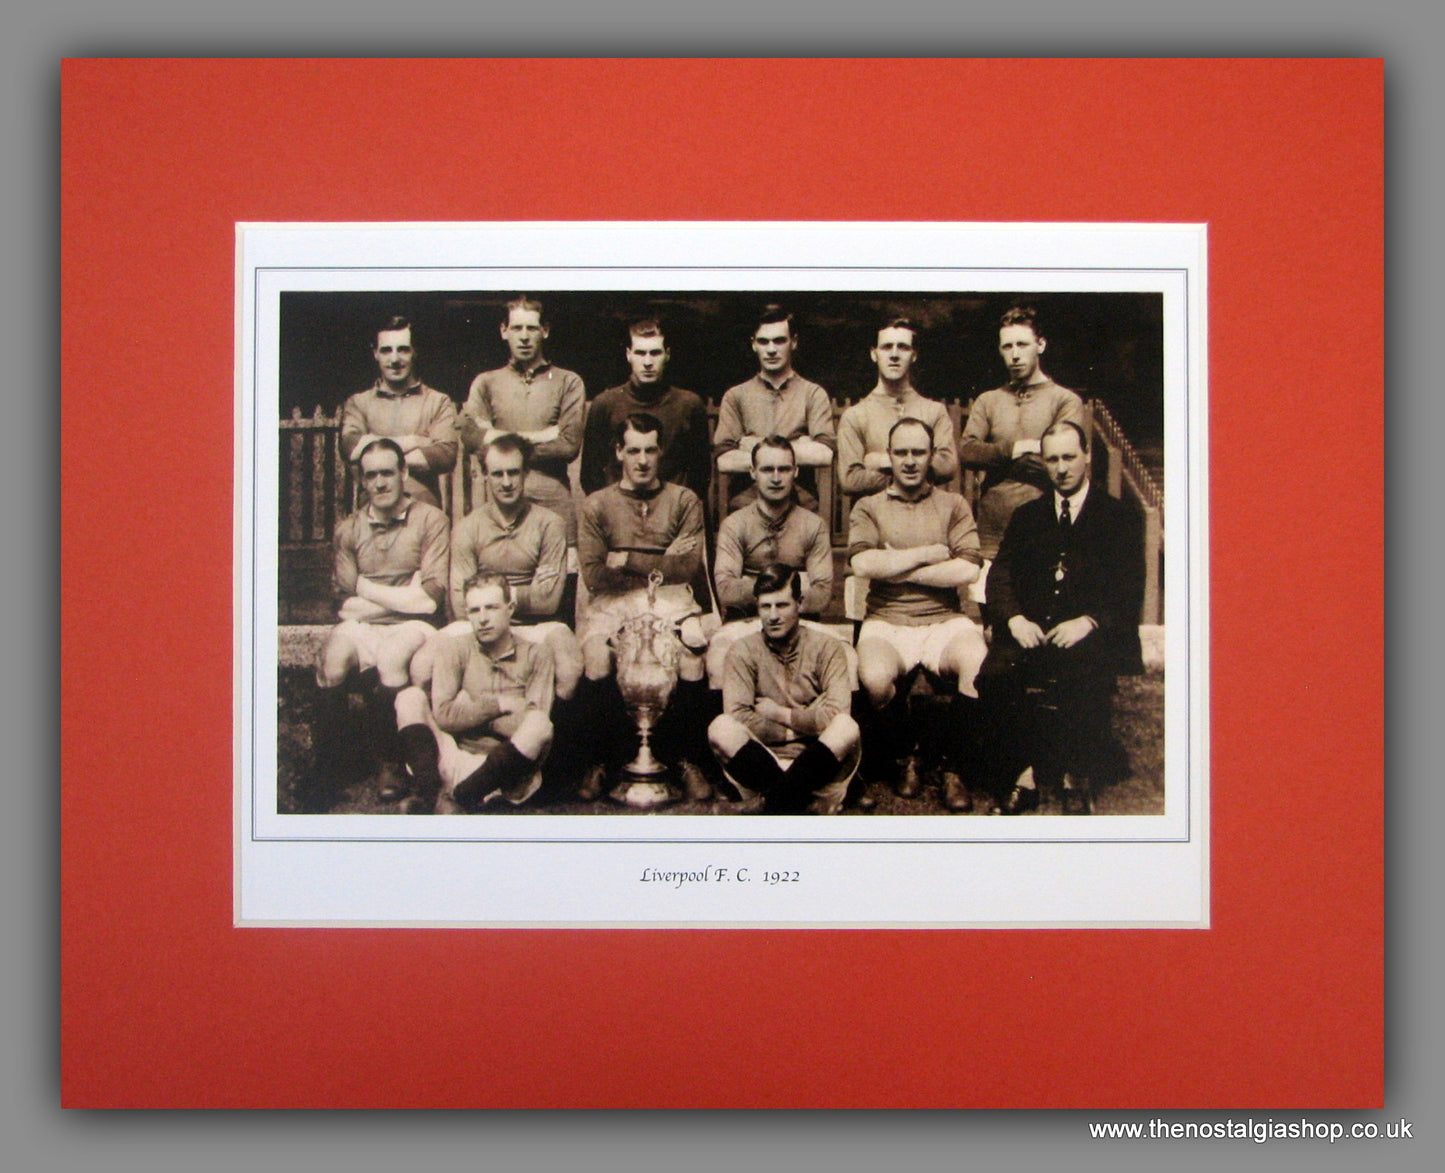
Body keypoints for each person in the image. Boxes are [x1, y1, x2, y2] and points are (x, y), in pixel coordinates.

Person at [979, 421, 1144, 815]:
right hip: (1033, 630)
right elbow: (999, 576)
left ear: (1086, 457)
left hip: (1090, 632)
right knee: (995, 676)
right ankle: (1024, 773)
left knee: (1083, 673)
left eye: (1069, 457)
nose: (1062, 468)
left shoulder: (1117, 517)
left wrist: (1087, 621)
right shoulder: (1028, 516)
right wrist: (1015, 619)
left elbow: (1129, 587)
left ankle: (1074, 775)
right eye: (1052, 459)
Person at [301, 437, 449, 813]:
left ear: (403, 474)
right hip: (373, 622)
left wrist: (366, 590)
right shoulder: (349, 529)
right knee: (332, 661)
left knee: (391, 656)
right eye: (371, 476)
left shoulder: (431, 519)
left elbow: (428, 600)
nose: (380, 483)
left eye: (388, 473)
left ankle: (391, 763)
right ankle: (329, 769)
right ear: (362, 482)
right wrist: (398, 596)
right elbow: (344, 605)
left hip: (416, 627)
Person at [571, 412, 714, 803]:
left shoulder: (685, 500)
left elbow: (685, 567)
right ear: (619, 451)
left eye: (651, 449)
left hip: (671, 600)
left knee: (691, 656)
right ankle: (602, 761)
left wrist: (627, 559)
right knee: (598, 658)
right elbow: (595, 574)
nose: (642, 460)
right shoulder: (597, 505)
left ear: (661, 450)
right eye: (633, 450)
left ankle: (685, 758)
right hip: (612, 603)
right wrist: (657, 561)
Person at [849, 418, 988, 812]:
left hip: (943, 619)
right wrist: (926, 554)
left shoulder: (953, 503)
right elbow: (862, 563)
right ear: (888, 457)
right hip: (887, 620)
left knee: (976, 663)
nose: (910, 461)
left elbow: (967, 569)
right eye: (901, 452)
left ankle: (950, 766)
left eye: (918, 452)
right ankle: (907, 753)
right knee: (874, 679)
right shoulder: (869, 505)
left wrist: (896, 565)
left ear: (931, 457)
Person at [409, 434, 583, 701]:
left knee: (569, 670)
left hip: (538, 625)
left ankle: (545, 734)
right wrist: (520, 597)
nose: (506, 482)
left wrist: (489, 598)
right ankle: (453, 737)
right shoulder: (468, 528)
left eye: (513, 472)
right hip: (479, 621)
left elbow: (547, 601)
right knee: (421, 667)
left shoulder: (551, 524)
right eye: (497, 473)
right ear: (484, 475)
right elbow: (460, 603)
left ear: (526, 473)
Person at [392, 573, 555, 813]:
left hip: (508, 773)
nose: (483, 619)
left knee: (540, 724)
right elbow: (444, 717)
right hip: (456, 759)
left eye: (491, 608)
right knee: (408, 698)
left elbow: (531, 724)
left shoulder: (537, 654)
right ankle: (432, 793)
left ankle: (455, 800)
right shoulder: (454, 648)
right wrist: (499, 705)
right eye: (475, 610)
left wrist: (469, 711)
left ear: (510, 609)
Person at [707, 564, 861, 815]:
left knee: (846, 727)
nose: (773, 616)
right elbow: (739, 717)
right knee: (721, 727)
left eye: (782, 605)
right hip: (762, 762)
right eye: (765, 607)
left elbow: (835, 714)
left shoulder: (828, 647)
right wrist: (804, 725)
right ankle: (805, 804)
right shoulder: (742, 650)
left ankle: (767, 804)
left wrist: (781, 715)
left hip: (818, 765)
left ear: (799, 603)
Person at [959, 305, 1086, 563]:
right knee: (990, 602)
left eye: (1022, 344)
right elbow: (967, 451)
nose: (1015, 354)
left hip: (1044, 529)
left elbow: (1060, 464)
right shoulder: (988, 401)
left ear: (1040, 345)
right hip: (992, 533)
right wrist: (1018, 448)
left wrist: (994, 458)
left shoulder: (1065, 400)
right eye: (1007, 347)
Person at [705, 435, 835, 683]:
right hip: (745, 622)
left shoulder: (813, 525)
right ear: (753, 472)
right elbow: (726, 591)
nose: (776, 478)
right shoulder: (734, 525)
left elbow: (822, 596)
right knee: (718, 660)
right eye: (767, 469)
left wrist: (750, 584)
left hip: (802, 625)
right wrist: (796, 587)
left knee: (841, 659)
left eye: (784, 469)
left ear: (795, 472)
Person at [459, 297, 585, 543]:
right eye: (517, 328)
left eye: (532, 328)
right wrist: (542, 435)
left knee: (561, 576)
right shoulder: (485, 382)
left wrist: (497, 437)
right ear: (504, 331)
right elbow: (472, 438)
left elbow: (568, 445)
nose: (524, 336)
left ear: (544, 331)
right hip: (501, 506)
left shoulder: (568, 382)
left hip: (554, 502)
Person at [713, 305, 836, 513]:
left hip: (801, 507)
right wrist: (799, 445)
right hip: (745, 508)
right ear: (753, 345)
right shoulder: (736, 396)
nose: (771, 349)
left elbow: (823, 454)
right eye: (763, 341)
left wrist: (752, 446)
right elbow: (725, 461)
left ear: (793, 342)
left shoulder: (813, 394)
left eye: (779, 340)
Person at [579, 318, 712, 505]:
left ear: (667, 355)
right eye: (640, 353)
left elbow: (700, 475)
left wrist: (677, 510)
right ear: (628, 355)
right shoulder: (605, 404)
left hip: (671, 511)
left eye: (655, 353)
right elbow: (590, 475)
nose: (648, 362)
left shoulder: (689, 405)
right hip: (620, 511)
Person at [338, 315, 458, 509]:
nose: (394, 359)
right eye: (386, 350)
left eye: (402, 349)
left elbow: (445, 454)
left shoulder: (437, 401)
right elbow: (351, 447)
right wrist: (414, 441)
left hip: (423, 513)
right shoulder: (358, 403)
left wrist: (376, 456)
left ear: (414, 352)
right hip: (373, 515)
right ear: (375, 353)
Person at [836, 318, 958, 503]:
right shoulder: (855, 416)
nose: (894, 354)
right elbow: (850, 480)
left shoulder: (934, 411)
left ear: (914, 355)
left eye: (903, 347)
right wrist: (916, 471)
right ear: (874, 354)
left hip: (925, 520)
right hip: (874, 522)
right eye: (886, 347)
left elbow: (947, 466)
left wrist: (880, 461)